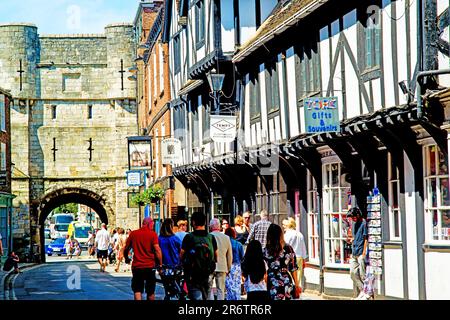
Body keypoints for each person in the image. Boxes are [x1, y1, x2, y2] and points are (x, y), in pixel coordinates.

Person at [180, 212, 218, 300]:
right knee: (208, 295)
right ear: (204, 223)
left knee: (196, 296)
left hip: (193, 274)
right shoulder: (211, 237)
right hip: (208, 272)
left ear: (193, 222)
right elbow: (216, 255)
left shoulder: (189, 237)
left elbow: (181, 254)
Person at [123, 217, 162, 300]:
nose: (153, 226)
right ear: (149, 224)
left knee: (137, 290)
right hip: (150, 266)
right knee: (150, 291)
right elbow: (157, 250)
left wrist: (126, 258)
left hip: (137, 266)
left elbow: (126, 248)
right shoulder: (153, 234)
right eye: (152, 224)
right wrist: (160, 264)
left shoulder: (133, 234)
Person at [264, 223, 301, 300]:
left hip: (271, 281)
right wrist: (297, 285)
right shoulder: (288, 249)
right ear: (281, 234)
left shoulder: (266, 250)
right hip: (286, 281)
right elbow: (293, 268)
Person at [207, 218, 232, 300]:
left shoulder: (208, 237)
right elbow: (229, 255)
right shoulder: (226, 238)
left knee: (209, 289)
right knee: (221, 289)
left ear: (210, 227)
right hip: (222, 266)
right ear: (219, 226)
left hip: (210, 266)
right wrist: (228, 268)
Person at [347, 207, 368, 299]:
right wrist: (352, 240)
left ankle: (367, 292)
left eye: (354, 217)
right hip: (354, 252)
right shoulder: (354, 224)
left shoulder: (363, 223)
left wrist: (364, 252)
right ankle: (362, 289)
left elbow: (365, 238)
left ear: (358, 215)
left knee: (363, 274)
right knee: (352, 273)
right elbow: (356, 236)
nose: (353, 219)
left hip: (360, 252)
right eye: (352, 217)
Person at [283, 217, 308, 292]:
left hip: (290, 259)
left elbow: (285, 247)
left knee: (290, 277)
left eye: (284, 225)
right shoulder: (299, 234)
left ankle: (291, 293)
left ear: (288, 225)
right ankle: (297, 292)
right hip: (299, 257)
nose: (283, 226)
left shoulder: (287, 234)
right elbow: (303, 248)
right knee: (298, 279)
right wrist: (304, 259)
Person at [224, 227, 244, 300]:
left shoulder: (224, 244)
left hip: (227, 266)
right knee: (237, 286)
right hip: (236, 266)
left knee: (229, 287)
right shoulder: (238, 244)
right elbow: (242, 257)